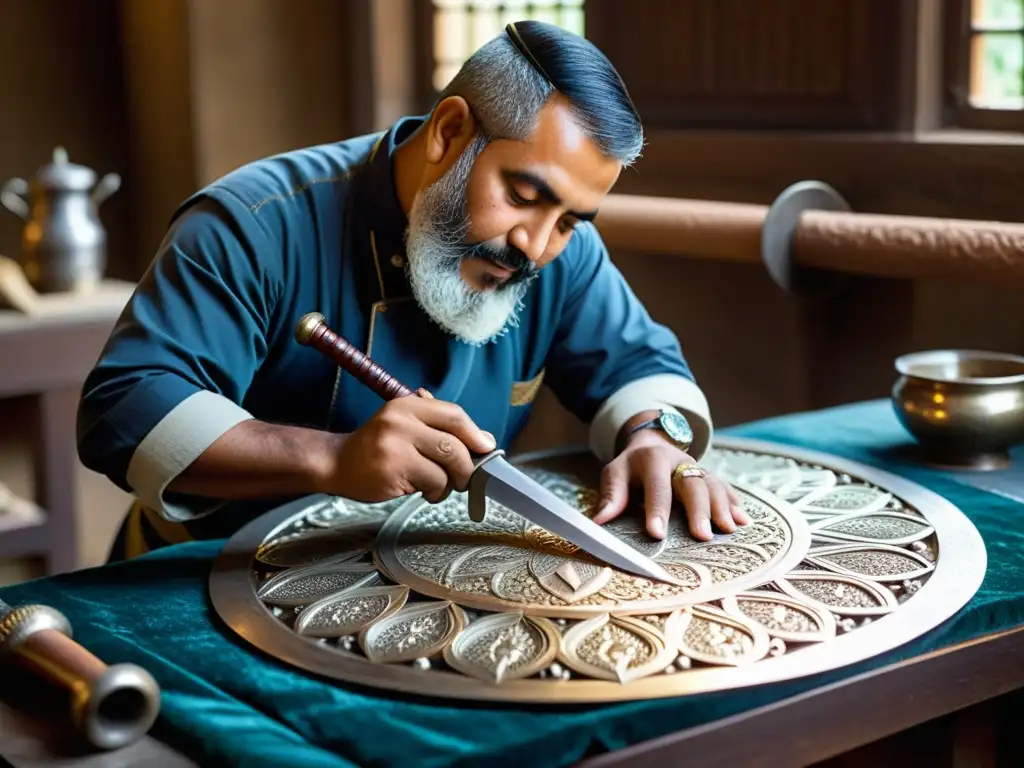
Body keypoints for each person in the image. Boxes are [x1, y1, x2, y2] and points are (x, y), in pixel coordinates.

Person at [76, 21, 748, 562]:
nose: (536, 247)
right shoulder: (255, 222)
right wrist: (333, 457)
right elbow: (124, 406)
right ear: (450, 132)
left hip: (422, 587)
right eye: (522, 195)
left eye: (571, 220)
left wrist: (655, 438)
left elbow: (641, 365)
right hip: (204, 582)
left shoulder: (557, 253)